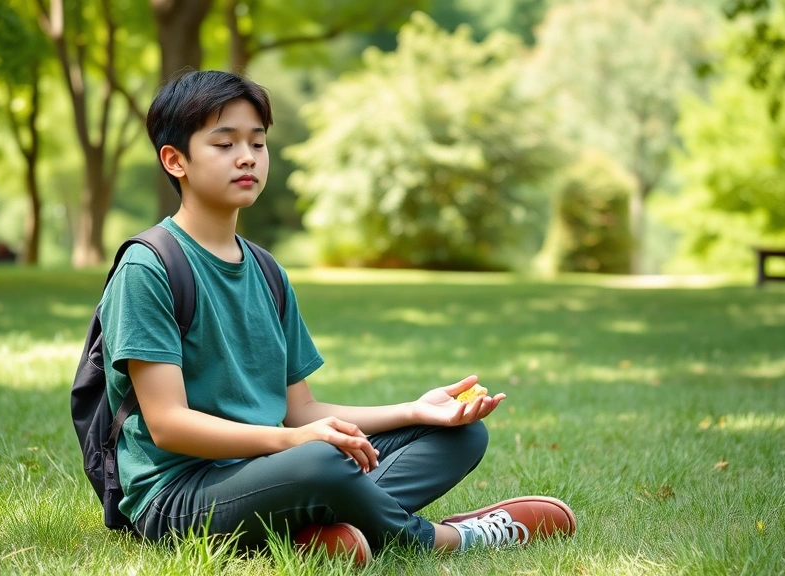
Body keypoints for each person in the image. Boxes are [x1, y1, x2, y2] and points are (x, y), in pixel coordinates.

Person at [99, 69, 576, 564]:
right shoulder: (150, 267)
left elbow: (301, 410)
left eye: (257, 144)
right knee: (320, 462)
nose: (247, 157)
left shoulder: (266, 271)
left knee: (458, 433)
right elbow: (169, 425)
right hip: (180, 496)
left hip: (278, 465)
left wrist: (414, 411)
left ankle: (320, 530)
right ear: (175, 160)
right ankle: (450, 537)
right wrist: (293, 443)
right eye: (224, 144)